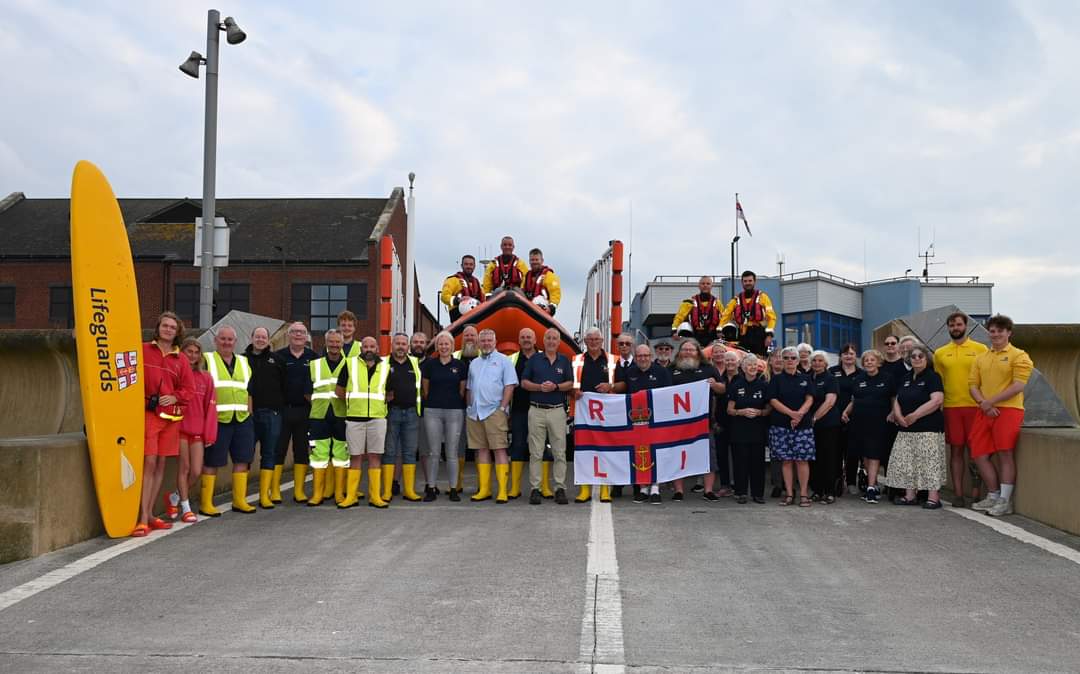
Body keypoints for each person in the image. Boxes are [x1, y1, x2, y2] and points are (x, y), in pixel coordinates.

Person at [133, 312, 194, 537]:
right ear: (158, 328)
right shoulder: (143, 349)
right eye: (165, 326)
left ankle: (149, 515)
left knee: (159, 464)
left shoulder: (181, 359)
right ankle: (142, 518)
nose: (168, 330)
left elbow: (189, 389)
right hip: (149, 413)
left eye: (172, 327)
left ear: (178, 332)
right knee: (148, 462)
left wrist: (175, 396)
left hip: (171, 418)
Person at [968, 314, 1033, 517]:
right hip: (985, 409)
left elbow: (1018, 386)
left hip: (1009, 410)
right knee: (979, 455)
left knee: (1005, 453)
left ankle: (1005, 501)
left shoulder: (1019, 356)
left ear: (1009, 333)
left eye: (1000, 331)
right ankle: (994, 495)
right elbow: (972, 385)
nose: (995, 334)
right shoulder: (981, 357)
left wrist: (991, 402)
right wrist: (983, 404)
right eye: (992, 331)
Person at [200, 325, 257, 517]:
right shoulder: (207, 360)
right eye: (222, 339)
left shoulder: (243, 361)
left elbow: (248, 391)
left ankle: (239, 500)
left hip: (242, 419)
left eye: (230, 339)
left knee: (243, 459)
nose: (226, 342)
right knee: (212, 461)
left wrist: (250, 413)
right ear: (216, 341)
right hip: (217, 420)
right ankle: (206, 503)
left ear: (235, 342)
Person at [882, 344, 947, 509]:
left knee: (929, 462)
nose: (917, 359)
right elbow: (897, 399)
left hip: (928, 427)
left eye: (920, 356)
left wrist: (915, 415)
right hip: (906, 428)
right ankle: (910, 496)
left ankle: (933, 497)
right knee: (906, 462)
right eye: (913, 356)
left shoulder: (933, 377)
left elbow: (937, 400)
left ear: (927, 359)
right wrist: (898, 415)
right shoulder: (905, 378)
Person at [933, 312, 988, 507]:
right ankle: (957, 494)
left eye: (958, 324)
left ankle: (976, 493)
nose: (955, 328)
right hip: (951, 407)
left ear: (966, 326)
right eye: (951, 325)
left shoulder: (981, 349)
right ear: (947, 328)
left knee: (976, 452)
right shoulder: (940, 353)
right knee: (956, 451)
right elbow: (938, 382)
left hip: (975, 407)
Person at [335, 336, 391, 508]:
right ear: (361, 349)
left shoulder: (386, 367)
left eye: (372, 346)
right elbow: (339, 391)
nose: (368, 349)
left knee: (375, 456)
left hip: (377, 418)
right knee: (355, 457)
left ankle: (375, 496)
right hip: (354, 419)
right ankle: (351, 496)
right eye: (365, 346)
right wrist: (353, 402)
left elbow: (390, 393)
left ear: (377, 349)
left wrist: (378, 405)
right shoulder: (349, 364)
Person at [520, 327, 574, 505]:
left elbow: (570, 383)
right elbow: (524, 383)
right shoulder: (534, 360)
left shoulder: (564, 361)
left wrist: (556, 387)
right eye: (548, 338)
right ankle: (535, 489)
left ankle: (560, 488)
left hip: (557, 410)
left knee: (559, 452)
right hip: (536, 410)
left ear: (559, 342)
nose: (551, 341)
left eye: (554, 339)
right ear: (543, 341)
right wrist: (539, 387)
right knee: (535, 452)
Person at [572, 327, 626, 502]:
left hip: (607, 414)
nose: (593, 342)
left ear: (602, 341)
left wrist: (610, 387)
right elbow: (568, 385)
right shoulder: (576, 360)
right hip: (583, 413)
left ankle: (605, 488)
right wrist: (574, 392)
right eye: (590, 339)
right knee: (583, 450)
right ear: (585, 342)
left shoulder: (613, 360)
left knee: (606, 450)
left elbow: (623, 384)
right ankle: (584, 489)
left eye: (597, 339)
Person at [166, 337, 216, 524]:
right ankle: (186, 508)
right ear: (182, 352)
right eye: (189, 352)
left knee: (196, 471)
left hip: (197, 430)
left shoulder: (206, 377)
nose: (193, 356)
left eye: (196, 352)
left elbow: (210, 406)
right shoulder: (175, 374)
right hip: (179, 428)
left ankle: (175, 497)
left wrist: (209, 432)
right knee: (185, 467)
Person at [465, 328, 518, 503]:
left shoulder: (504, 361)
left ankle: (502, 490)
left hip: (494, 411)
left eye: (489, 340)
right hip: (476, 413)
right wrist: (469, 406)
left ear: (495, 342)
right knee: (482, 450)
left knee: (499, 449)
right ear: (479, 343)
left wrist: (503, 408)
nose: (486, 343)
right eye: (483, 340)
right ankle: (485, 489)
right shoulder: (474, 363)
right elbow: (470, 388)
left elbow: (509, 386)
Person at [669, 340, 725, 501]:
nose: (687, 352)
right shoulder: (671, 370)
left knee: (708, 456)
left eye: (691, 350)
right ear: (679, 352)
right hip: (678, 424)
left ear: (698, 352)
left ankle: (708, 490)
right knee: (677, 456)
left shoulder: (708, 369)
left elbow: (722, 389)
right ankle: (678, 490)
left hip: (703, 423)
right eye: (684, 349)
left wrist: (714, 385)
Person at [842, 349, 896, 504]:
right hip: (859, 421)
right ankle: (874, 484)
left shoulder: (887, 378)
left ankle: (871, 487)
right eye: (866, 360)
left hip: (879, 421)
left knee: (874, 453)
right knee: (865, 453)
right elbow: (854, 399)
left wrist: (893, 412)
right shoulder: (859, 379)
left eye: (872, 360)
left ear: (878, 362)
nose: (869, 363)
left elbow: (893, 398)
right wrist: (846, 411)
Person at [306, 329, 352, 507]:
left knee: (341, 454)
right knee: (319, 455)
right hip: (319, 416)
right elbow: (307, 392)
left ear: (342, 344)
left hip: (341, 415)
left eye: (337, 342)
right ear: (326, 343)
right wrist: (318, 405)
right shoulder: (314, 365)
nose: (334, 345)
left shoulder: (350, 365)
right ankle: (318, 494)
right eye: (331, 342)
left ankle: (339, 494)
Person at [421, 331, 468, 501]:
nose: (443, 347)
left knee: (452, 451)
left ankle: (453, 488)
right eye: (440, 344)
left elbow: (462, 390)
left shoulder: (460, 365)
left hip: (454, 411)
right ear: (437, 346)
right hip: (432, 411)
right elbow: (425, 389)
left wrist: (452, 401)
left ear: (452, 346)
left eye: (447, 343)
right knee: (434, 452)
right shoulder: (429, 365)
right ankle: (431, 488)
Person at [244, 326, 287, 509]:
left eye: (264, 337)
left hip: (272, 414)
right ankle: (241, 497)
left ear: (268, 340)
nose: (261, 339)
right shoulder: (241, 360)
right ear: (252, 337)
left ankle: (264, 496)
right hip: (248, 415)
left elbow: (285, 386)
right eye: (257, 336)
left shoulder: (277, 360)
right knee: (245, 455)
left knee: (269, 454)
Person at [624, 344, 673, 504]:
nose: (643, 359)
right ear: (635, 357)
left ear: (651, 356)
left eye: (645, 355)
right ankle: (644, 488)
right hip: (637, 422)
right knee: (641, 453)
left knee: (656, 454)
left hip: (656, 421)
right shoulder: (630, 372)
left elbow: (668, 394)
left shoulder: (661, 372)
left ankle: (655, 488)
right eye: (639, 356)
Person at [767, 347, 815, 507]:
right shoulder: (776, 379)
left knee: (802, 461)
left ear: (798, 360)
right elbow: (773, 400)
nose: (789, 361)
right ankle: (788, 493)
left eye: (792, 358)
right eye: (785, 358)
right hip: (781, 426)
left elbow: (810, 399)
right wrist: (791, 414)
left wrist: (799, 414)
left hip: (803, 426)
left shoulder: (806, 378)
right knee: (786, 461)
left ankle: (803, 494)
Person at [275, 322, 317, 503]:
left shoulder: (314, 358)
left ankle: (299, 491)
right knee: (279, 450)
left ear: (306, 336)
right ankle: (274, 491)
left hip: (305, 411)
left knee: (301, 451)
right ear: (289, 335)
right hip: (283, 410)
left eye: (302, 332)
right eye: (295, 332)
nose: (298, 335)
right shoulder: (278, 357)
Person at [382, 333, 424, 503]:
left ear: (408, 346)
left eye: (404, 344)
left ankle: (409, 490)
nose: (401, 346)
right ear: (392, 345)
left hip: (412, 413)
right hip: (392, 412)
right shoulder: (383, 362)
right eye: (398, 343)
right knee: (390, 452)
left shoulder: (414, 363)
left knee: (409, 453)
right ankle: (386, 491)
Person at [727, 354, 770, 504]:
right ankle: (741, 492)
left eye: (754, 365)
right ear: (743, 368)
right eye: (749, 365)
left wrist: (760, 412)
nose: (752, 367)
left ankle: (758, 494)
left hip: (758, 430)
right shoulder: (736, 384)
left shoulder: (764, 385)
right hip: (739, 430)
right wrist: (741, 411)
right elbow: (729, 410)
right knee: (740, 462)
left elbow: (769, 408)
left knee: (758, 463)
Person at [508, 328, 540, 499]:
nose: (526, 340)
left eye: (529, 337)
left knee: (542, 448)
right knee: (517, 446)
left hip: (540, 408)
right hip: (519, 410)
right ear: (518, 341)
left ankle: (544, 487)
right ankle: (515, 487)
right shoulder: (512, 359)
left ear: (535, 340)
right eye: (523, 337)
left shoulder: (543, 358)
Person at [829, 343, 862, 496]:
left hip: (854, 418)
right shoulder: (832, 372)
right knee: (835, 451)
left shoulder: (861, 374)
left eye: (852, 353)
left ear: (856, 356)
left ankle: (850, 482)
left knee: (852, 452)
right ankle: (836, 481)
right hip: (833, 416)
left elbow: (861, 396)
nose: (849, 356)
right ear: (840, 356)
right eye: (845, 353)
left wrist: (849, 411)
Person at [718, 270, 777, 356]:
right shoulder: (736, 300)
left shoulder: (763, 297)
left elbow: (772, 317)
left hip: (759, 334)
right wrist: (719, 329)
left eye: (750, 281)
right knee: (743, 358)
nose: (747, 283)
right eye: (745, 281)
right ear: (742, 283)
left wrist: (769, 335)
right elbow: (726, 315)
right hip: (743, 334)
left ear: (754, 281)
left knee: (761, 359)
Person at [808, 350, 840, 503]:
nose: (817, 363)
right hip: (810, 425)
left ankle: (830, 492)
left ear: (826, 363)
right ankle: (816, 490)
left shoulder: (831, 379)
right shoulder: (808, 378)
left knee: (828, 458)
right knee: (814, 459)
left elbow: (829, 403)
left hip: (828, 424)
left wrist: (814, 418)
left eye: (820, 360)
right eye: (814, 360)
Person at [453, 324, 481, 492]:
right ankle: (457, 483)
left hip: (479, 410)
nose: (469, 338)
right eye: (466, 336)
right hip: (458, 410)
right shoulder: (455, 357)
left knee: (479, 447)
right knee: (458, 446)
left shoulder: (484, 357)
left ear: (477, 338)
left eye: (472, 335)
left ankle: (481, 485)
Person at [671, 276, 724, 347]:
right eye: (703, 283)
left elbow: (724, 318)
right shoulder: (689, 303)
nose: (705, 285)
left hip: (713, 337)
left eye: (708, 284)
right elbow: (679, 317)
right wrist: (674, 331)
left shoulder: (717, 303)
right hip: (695, 337)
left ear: (711, 286)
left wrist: (721, 331)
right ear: (699, 286)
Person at [441, 254, 484, 322]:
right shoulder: (452, 280)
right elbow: (444, 296)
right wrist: (458, 300)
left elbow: (483, 299)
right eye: (466, 264)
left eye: (471, 264)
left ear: (474, 266)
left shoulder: (477, 283)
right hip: (457, 316)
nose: (468, 266)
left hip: (475, 316)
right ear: (462, 266)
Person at [766, 348, 785, 497]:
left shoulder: (793, 377)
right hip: (766, 420)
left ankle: (787, 482)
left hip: (787, 419)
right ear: (770, 360)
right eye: (775, 357)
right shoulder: (763, 378)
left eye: (781, 357)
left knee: (788, 454)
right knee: (775, 454)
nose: (778, 359)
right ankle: (777, 483)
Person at [522, 248, 561, 316]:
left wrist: (551, 307)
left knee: (538, 300)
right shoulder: (526, 276)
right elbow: (522, 290)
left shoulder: (549, 276)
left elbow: (555, 293)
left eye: (537, 260)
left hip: (542, 306)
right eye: (532, 260)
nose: (534, 262)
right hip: (528, 306)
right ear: (529, 261)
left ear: (542, 261)